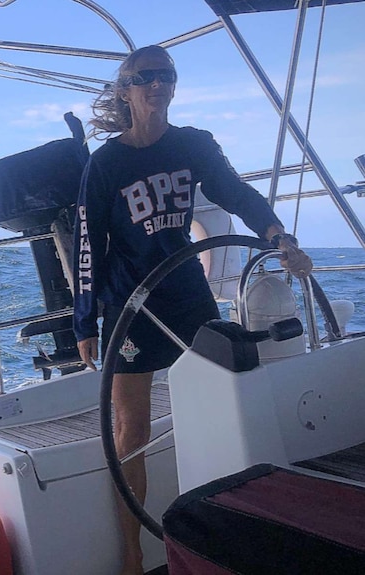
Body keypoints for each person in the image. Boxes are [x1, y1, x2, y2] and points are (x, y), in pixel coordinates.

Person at [72, 45, 313, 575]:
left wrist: (278, 236)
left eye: (166, 75)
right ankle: (133, 554)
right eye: (145, 77)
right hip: (130, 308)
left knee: (229, 400)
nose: (157, 84)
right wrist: (85, 322)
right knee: (131, 433)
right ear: (126, 90)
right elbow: (88, 245)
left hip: (186, 295)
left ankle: (233, 530)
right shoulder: (106, 163)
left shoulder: (194, 145)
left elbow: (236, 194)